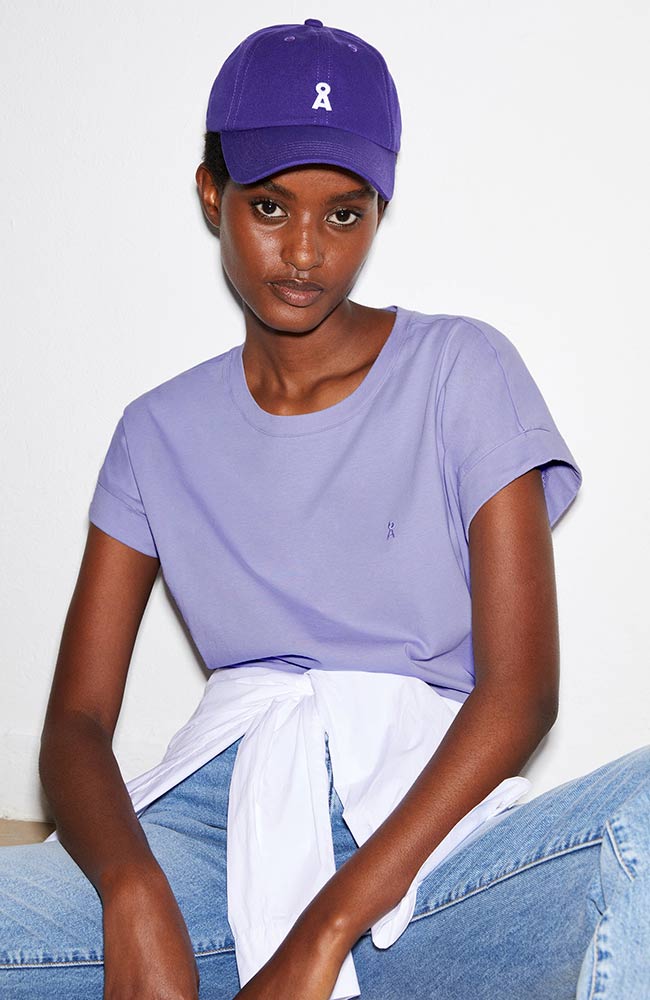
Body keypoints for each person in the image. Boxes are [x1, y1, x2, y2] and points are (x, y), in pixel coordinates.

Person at [1, 17, 649, 1000]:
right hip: (207, 840)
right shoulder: (156, 432)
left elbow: (520, 693)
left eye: (343, 216)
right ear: (211, 194)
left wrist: (321, 936)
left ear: (379, 210)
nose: (304, 252)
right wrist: (132, 893)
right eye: (269, 206)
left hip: (426, 843)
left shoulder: (460, 370)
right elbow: (76, 722)